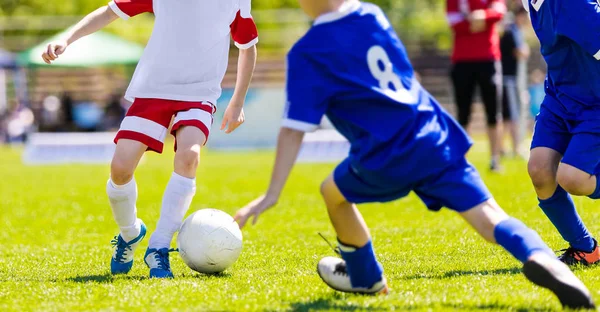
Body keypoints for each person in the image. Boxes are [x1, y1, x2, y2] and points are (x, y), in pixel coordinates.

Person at [233, 0, 595, 309]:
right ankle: (541, 258)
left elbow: (294, 128)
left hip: (385, 154)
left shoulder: (307, 52)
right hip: (433, 137)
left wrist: (272, 193)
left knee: (333, 193)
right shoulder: (371, 14)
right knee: (490, 218)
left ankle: (366, 278)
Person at [42, 0, 258, 278]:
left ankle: (158, 247)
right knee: (120, 169)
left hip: (198, 93)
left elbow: (247, 47)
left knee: (189, 156)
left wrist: (237, 102)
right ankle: (130, 233)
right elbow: (110, 11)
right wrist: (67, 39)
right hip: (153, 90)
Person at [525, 0, 600, 266]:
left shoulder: (574, 3)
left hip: (595, 104)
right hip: (559, 97)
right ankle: (585, 248)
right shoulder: (531, 2)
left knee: (574, 178)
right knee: (540, 170)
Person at [447, 0, 506, 171]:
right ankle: (461, 160)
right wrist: (480, 21)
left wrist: (480, 16)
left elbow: (498, 13)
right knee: (463, 112)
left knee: (493, 112)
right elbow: (454, 22)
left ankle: (495, 159)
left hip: (488, 59)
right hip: (461, 60)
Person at [500, 7, 529, 158]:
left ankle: (502, 147)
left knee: (507, 114)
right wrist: (524, 50)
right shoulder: (511, 31)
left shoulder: (515, 30)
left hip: (511, 78)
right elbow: (520, 51)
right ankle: (516, 147)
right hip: (509, 79)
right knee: (513, 114)